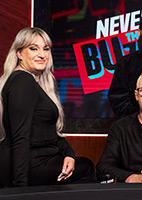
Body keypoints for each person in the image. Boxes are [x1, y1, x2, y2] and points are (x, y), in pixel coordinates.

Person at [0, 27, 95, 187]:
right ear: (19, 54)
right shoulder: (22, 81)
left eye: (46, 49)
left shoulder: (31, 81)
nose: (42, 55)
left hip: (39, 160)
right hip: (28, 165)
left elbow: (49, 132)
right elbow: (20, 137)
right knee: (86, 167)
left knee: (83, 165)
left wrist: (69, 154)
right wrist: (19, 188)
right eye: (33, 48)